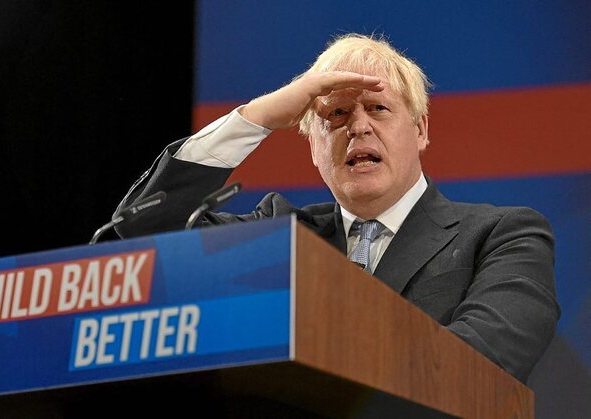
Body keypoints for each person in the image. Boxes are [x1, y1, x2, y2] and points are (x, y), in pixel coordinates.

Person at [114, 33, 560, 383]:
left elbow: (478, 361)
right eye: (337, 115)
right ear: (313, 146)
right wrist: (258, 117)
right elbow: (143, 230)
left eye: (378, 108)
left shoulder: (503, 235)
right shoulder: (280, 234)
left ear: (421, 129)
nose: (359, 127)